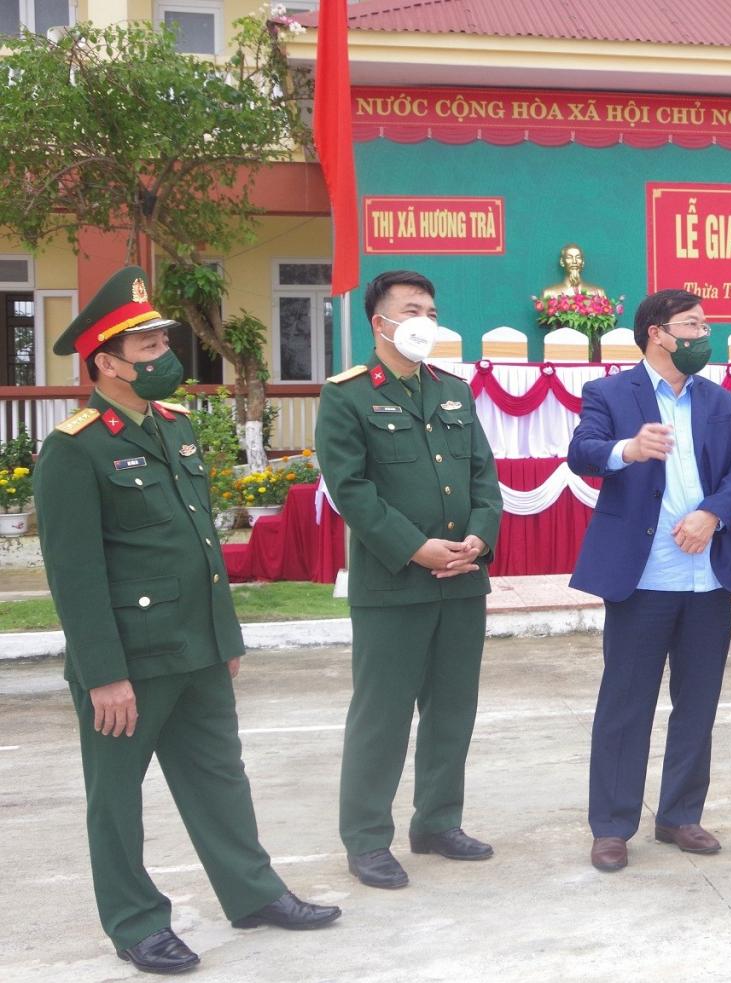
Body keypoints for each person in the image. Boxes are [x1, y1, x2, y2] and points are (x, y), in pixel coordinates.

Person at [36, 267, 340, 975]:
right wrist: (104, 674)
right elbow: (75, 577)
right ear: (106, 361)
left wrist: (223, 635)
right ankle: (137, 922)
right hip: (130, 659)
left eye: (160, 340)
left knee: (218, 777)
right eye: (144, 346)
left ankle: (255, 893)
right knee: (116, 799)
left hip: (198, 647)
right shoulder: (74, 448)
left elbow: (202, 542)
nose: (161, 355)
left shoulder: (175, 428)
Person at [315, 270, 502, 890]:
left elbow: (482, 474)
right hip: (394, 583)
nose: (425, 319)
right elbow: (352, 490)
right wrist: (417, 549)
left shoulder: (453, 390)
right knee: (383, 716)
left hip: (462, 580)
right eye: (412, 309)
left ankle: (438, 822)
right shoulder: (346, 395)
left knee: (452, 709)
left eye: (431, 308)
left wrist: (479, 536)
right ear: (381, 323)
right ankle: (368, 839)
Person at [568, 288, 731, 872]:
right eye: (693, 325)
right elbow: (583, 453)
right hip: (643, 577)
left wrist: (712, 514)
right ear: (657, 332)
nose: (704, 334)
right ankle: (612, 825)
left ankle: (680, 815)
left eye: (706, 325)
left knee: (697, 703)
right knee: (626, 703)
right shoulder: (608, 392)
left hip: (706, 579)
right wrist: (628, 448)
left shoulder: (718, 400)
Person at [541, 243, 606, 298]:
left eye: (578, 257)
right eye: (569, 257)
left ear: (583, 262)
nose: (574, 261)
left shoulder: (598, 293)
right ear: (562, 262)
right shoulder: (549, 294)